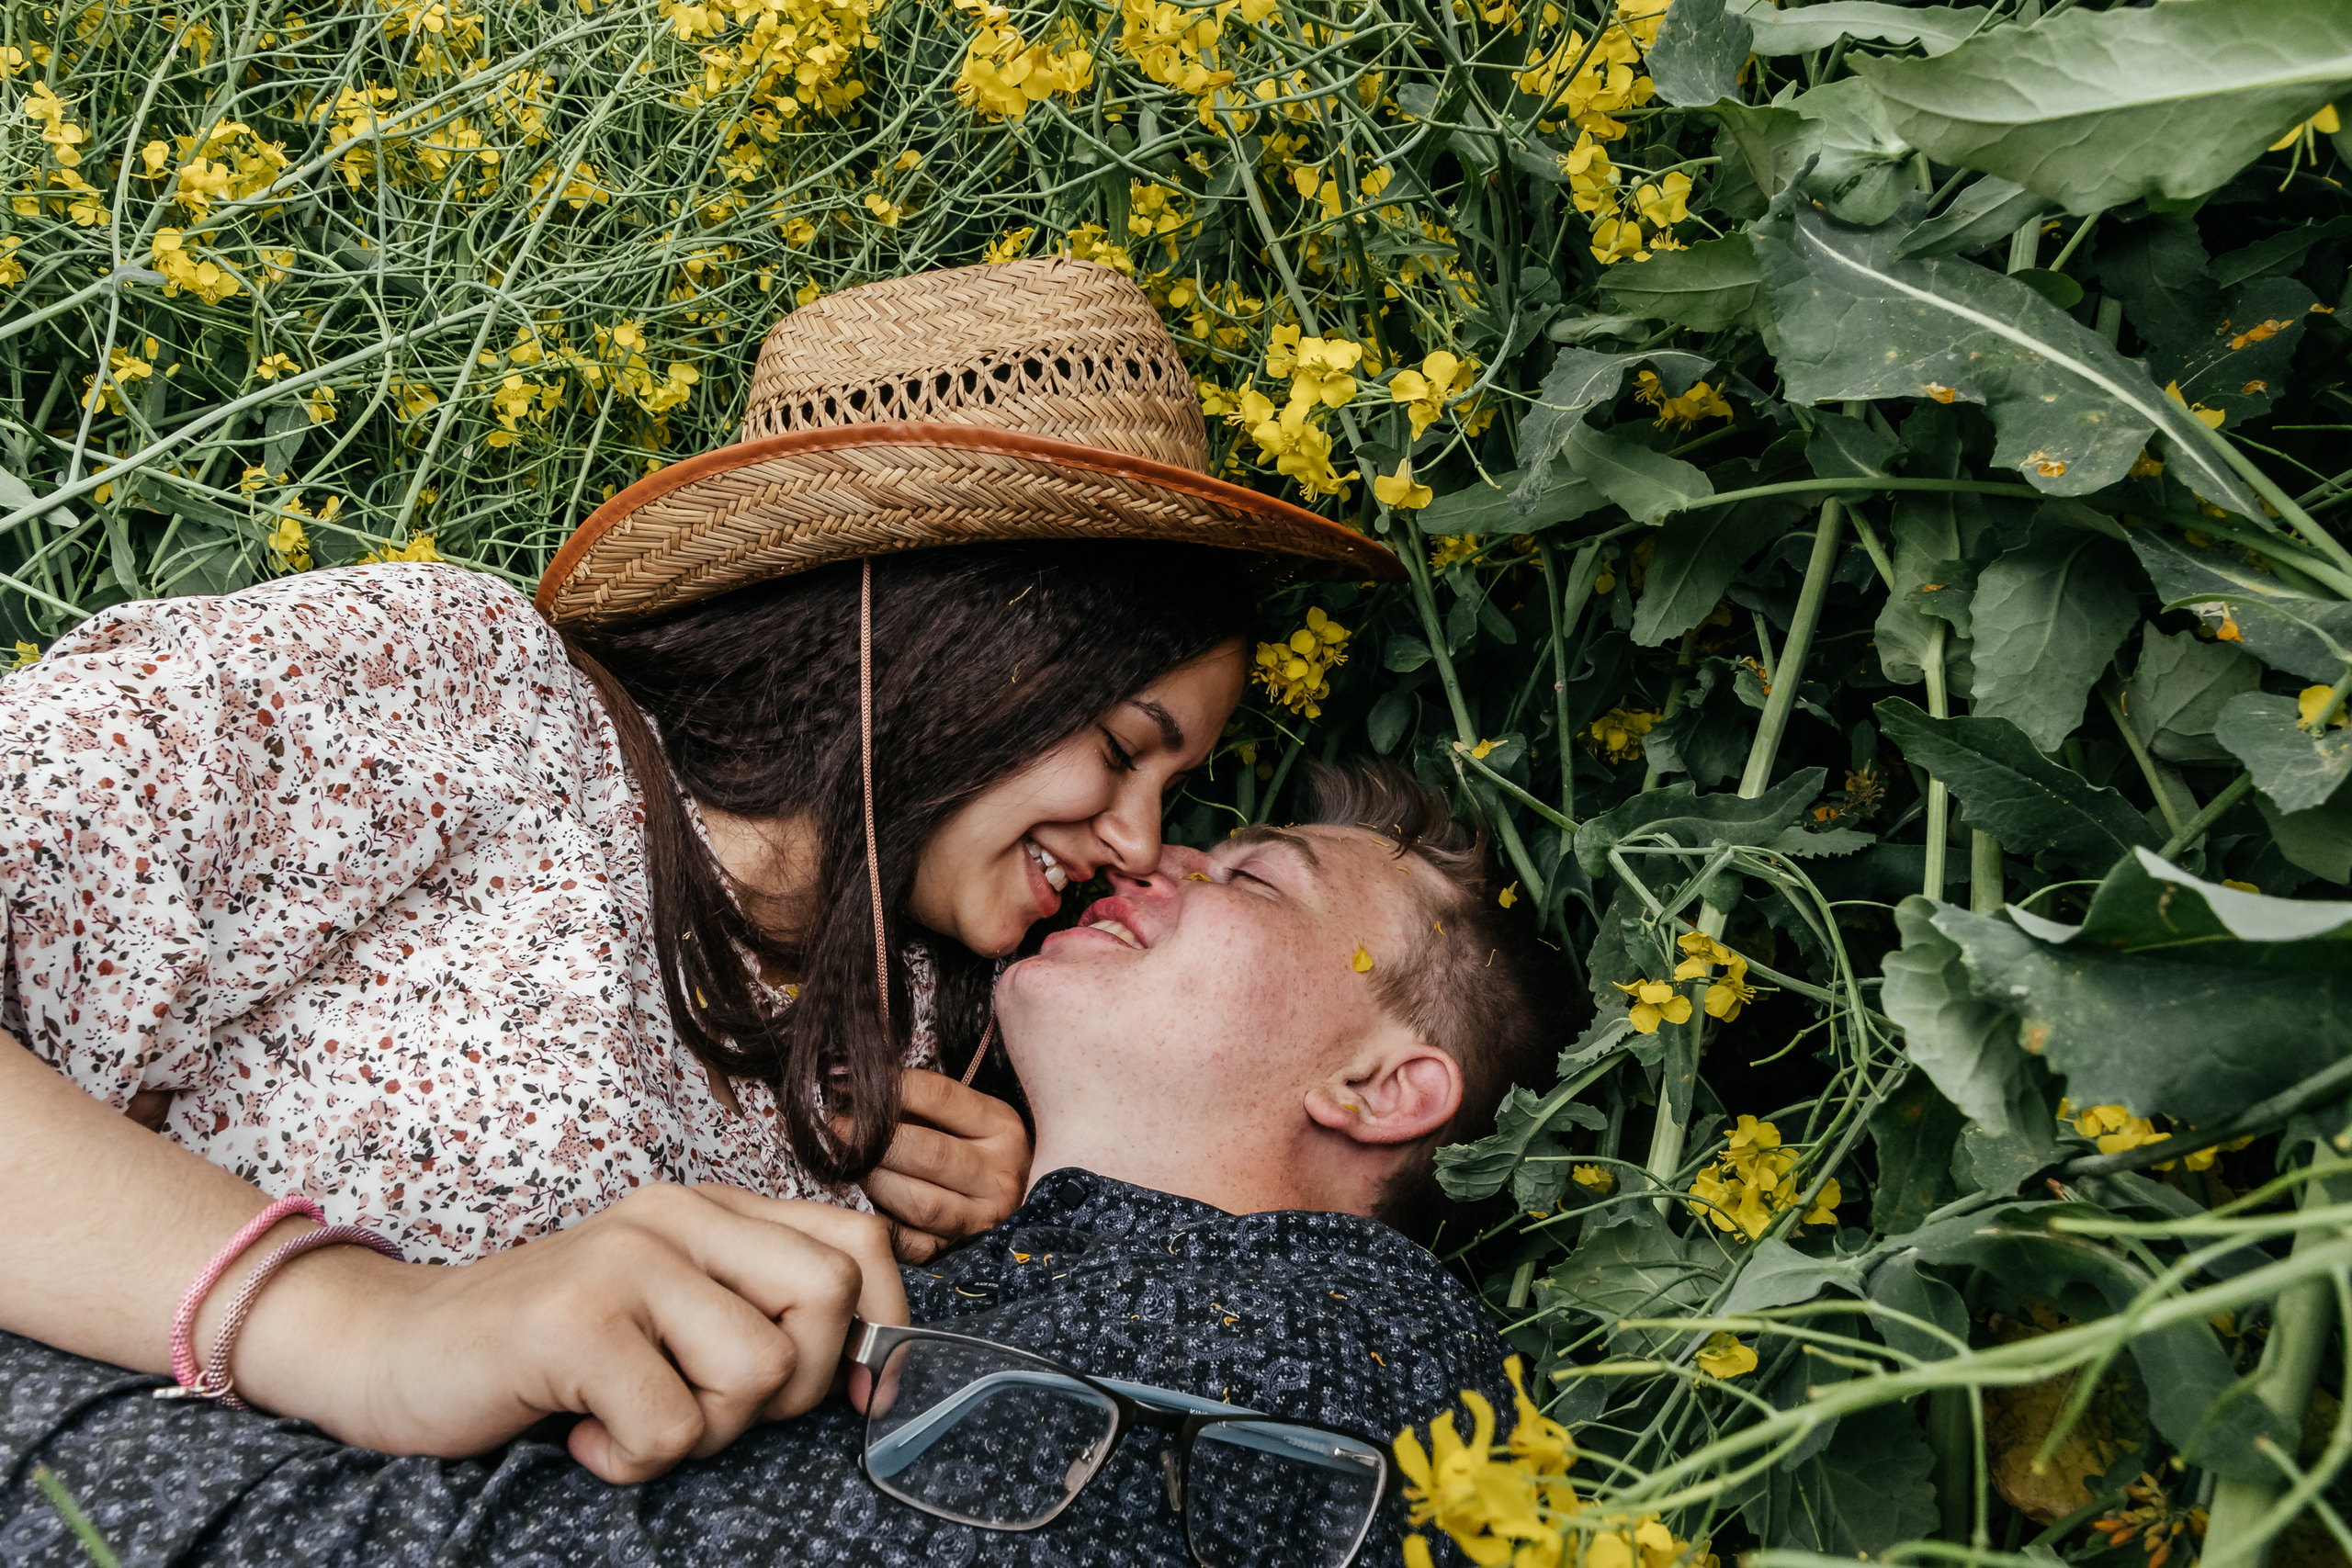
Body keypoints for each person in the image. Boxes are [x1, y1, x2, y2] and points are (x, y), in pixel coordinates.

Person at [0, 255, 1404, 1482]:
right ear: (962, 643)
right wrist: (350, 1324)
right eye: (1120, 745)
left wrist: (1026, 1213)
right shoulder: (457, 696)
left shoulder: (947, 1044)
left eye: (1180, 793)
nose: (1143, 848)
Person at [0, 761, 1571, 1568]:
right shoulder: (1041, 1246)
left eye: (1254, 875)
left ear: (1386, 1086)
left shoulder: (1333, 1331)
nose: (1147, 854)